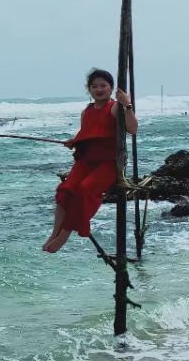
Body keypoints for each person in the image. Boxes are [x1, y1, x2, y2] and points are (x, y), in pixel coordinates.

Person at [43, 68, 138, 253]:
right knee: (64, 191)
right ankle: (54, 233)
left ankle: (63, 237)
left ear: (111, 88)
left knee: (85, 189)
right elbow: (86, 134)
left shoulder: (115, 107)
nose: (99, 89)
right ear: (89, 90)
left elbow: (133, 129)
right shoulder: (86, 111)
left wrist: (127, 105)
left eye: (103, 85)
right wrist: (73, 141)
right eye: (94, 86)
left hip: (108, 164)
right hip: (86, 162)